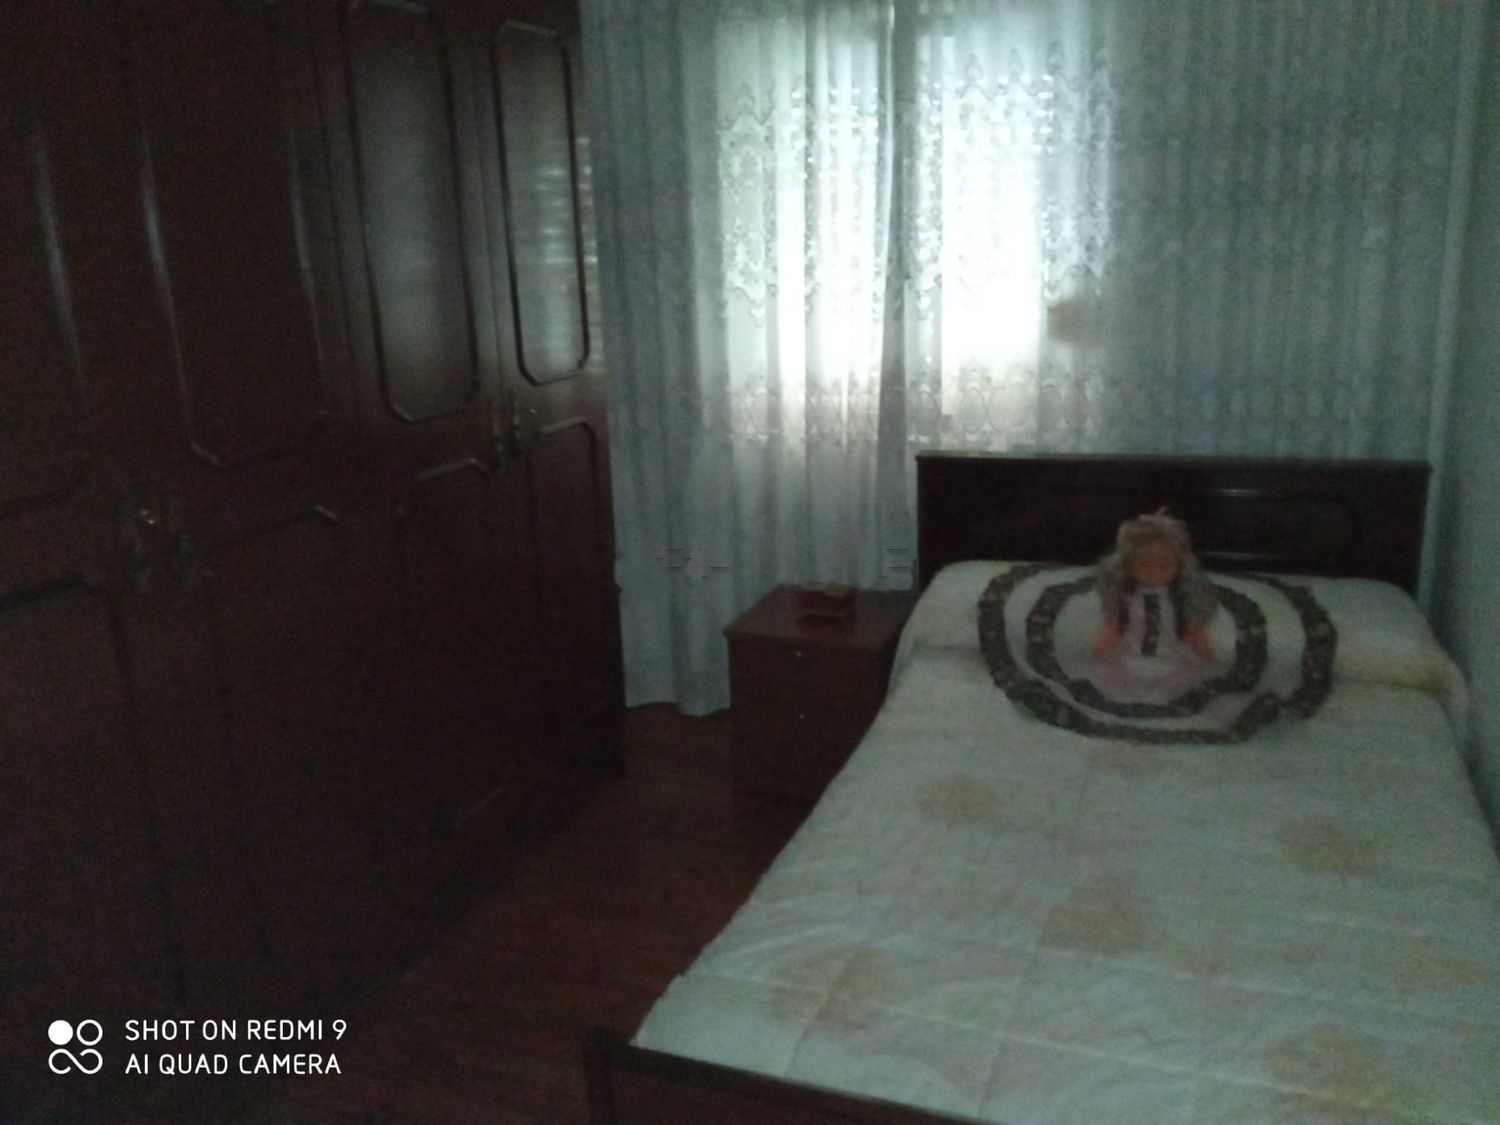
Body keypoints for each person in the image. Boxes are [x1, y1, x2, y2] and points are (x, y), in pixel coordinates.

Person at [1092, 509, 1216, 665]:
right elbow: (1114, 625)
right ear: (1128, 565)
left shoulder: (1181, 595)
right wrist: (1110, 633)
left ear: (1180, 566)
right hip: (1131, 653)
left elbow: (1193, 624)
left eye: (1164, 566)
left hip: (1173, 654)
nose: (1153, 573)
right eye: (1143, 565)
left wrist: (1197, 636)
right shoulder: (1125, 594)